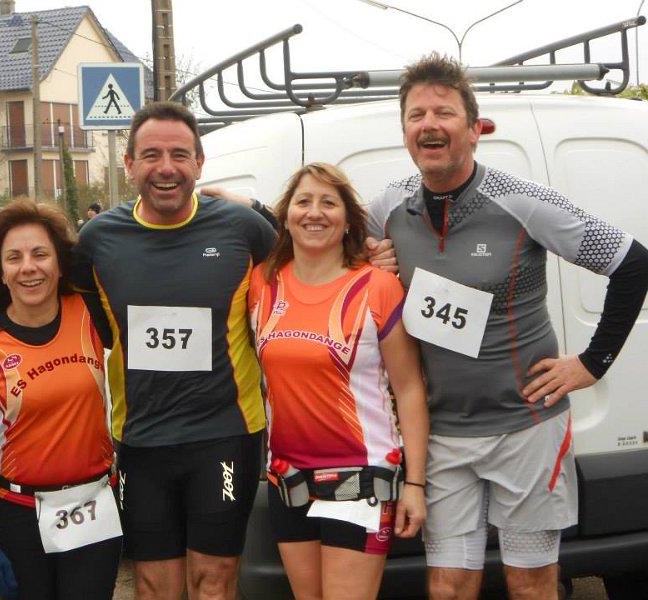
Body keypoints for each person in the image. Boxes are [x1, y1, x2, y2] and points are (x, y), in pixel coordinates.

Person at [0, 101, 278, 599]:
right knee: (153, 585)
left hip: (224, 437)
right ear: (129, 165)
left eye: (179, 154)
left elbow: (312, 263)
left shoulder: (242, 228)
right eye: (151, 155)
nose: (166, 167)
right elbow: (41, 296)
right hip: (140, 440)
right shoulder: (100, 239)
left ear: (199, 163)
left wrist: (261, 208)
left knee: (213, 582)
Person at [366, 52, 648, 600]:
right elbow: (321, 238)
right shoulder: (389, 207)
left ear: (475, 129)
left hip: (526, 427)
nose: (429, 124)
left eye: (444, 112)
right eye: (416, 115)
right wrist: (370, 261)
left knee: (530, 585)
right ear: (404, 132)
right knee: (448, 588)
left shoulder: (523, 201)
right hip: (442, 433)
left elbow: (632, 263)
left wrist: (592, 364)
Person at [248, 162, 428, 598]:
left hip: (360, 479)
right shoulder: (262, 283)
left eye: (329, 203)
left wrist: (416, 484)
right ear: (286, 216)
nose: (315, 212)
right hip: (288, 478)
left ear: (348, 220)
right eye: (303, 201)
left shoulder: (377, 285)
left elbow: (409, 388)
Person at [0, 200, 121, 599]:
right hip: (18, 515)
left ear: (60, 264)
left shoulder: (93, 314)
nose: (28, 267)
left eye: (40, 254)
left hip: (95, 508)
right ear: (1, 271)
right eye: (14, 257)